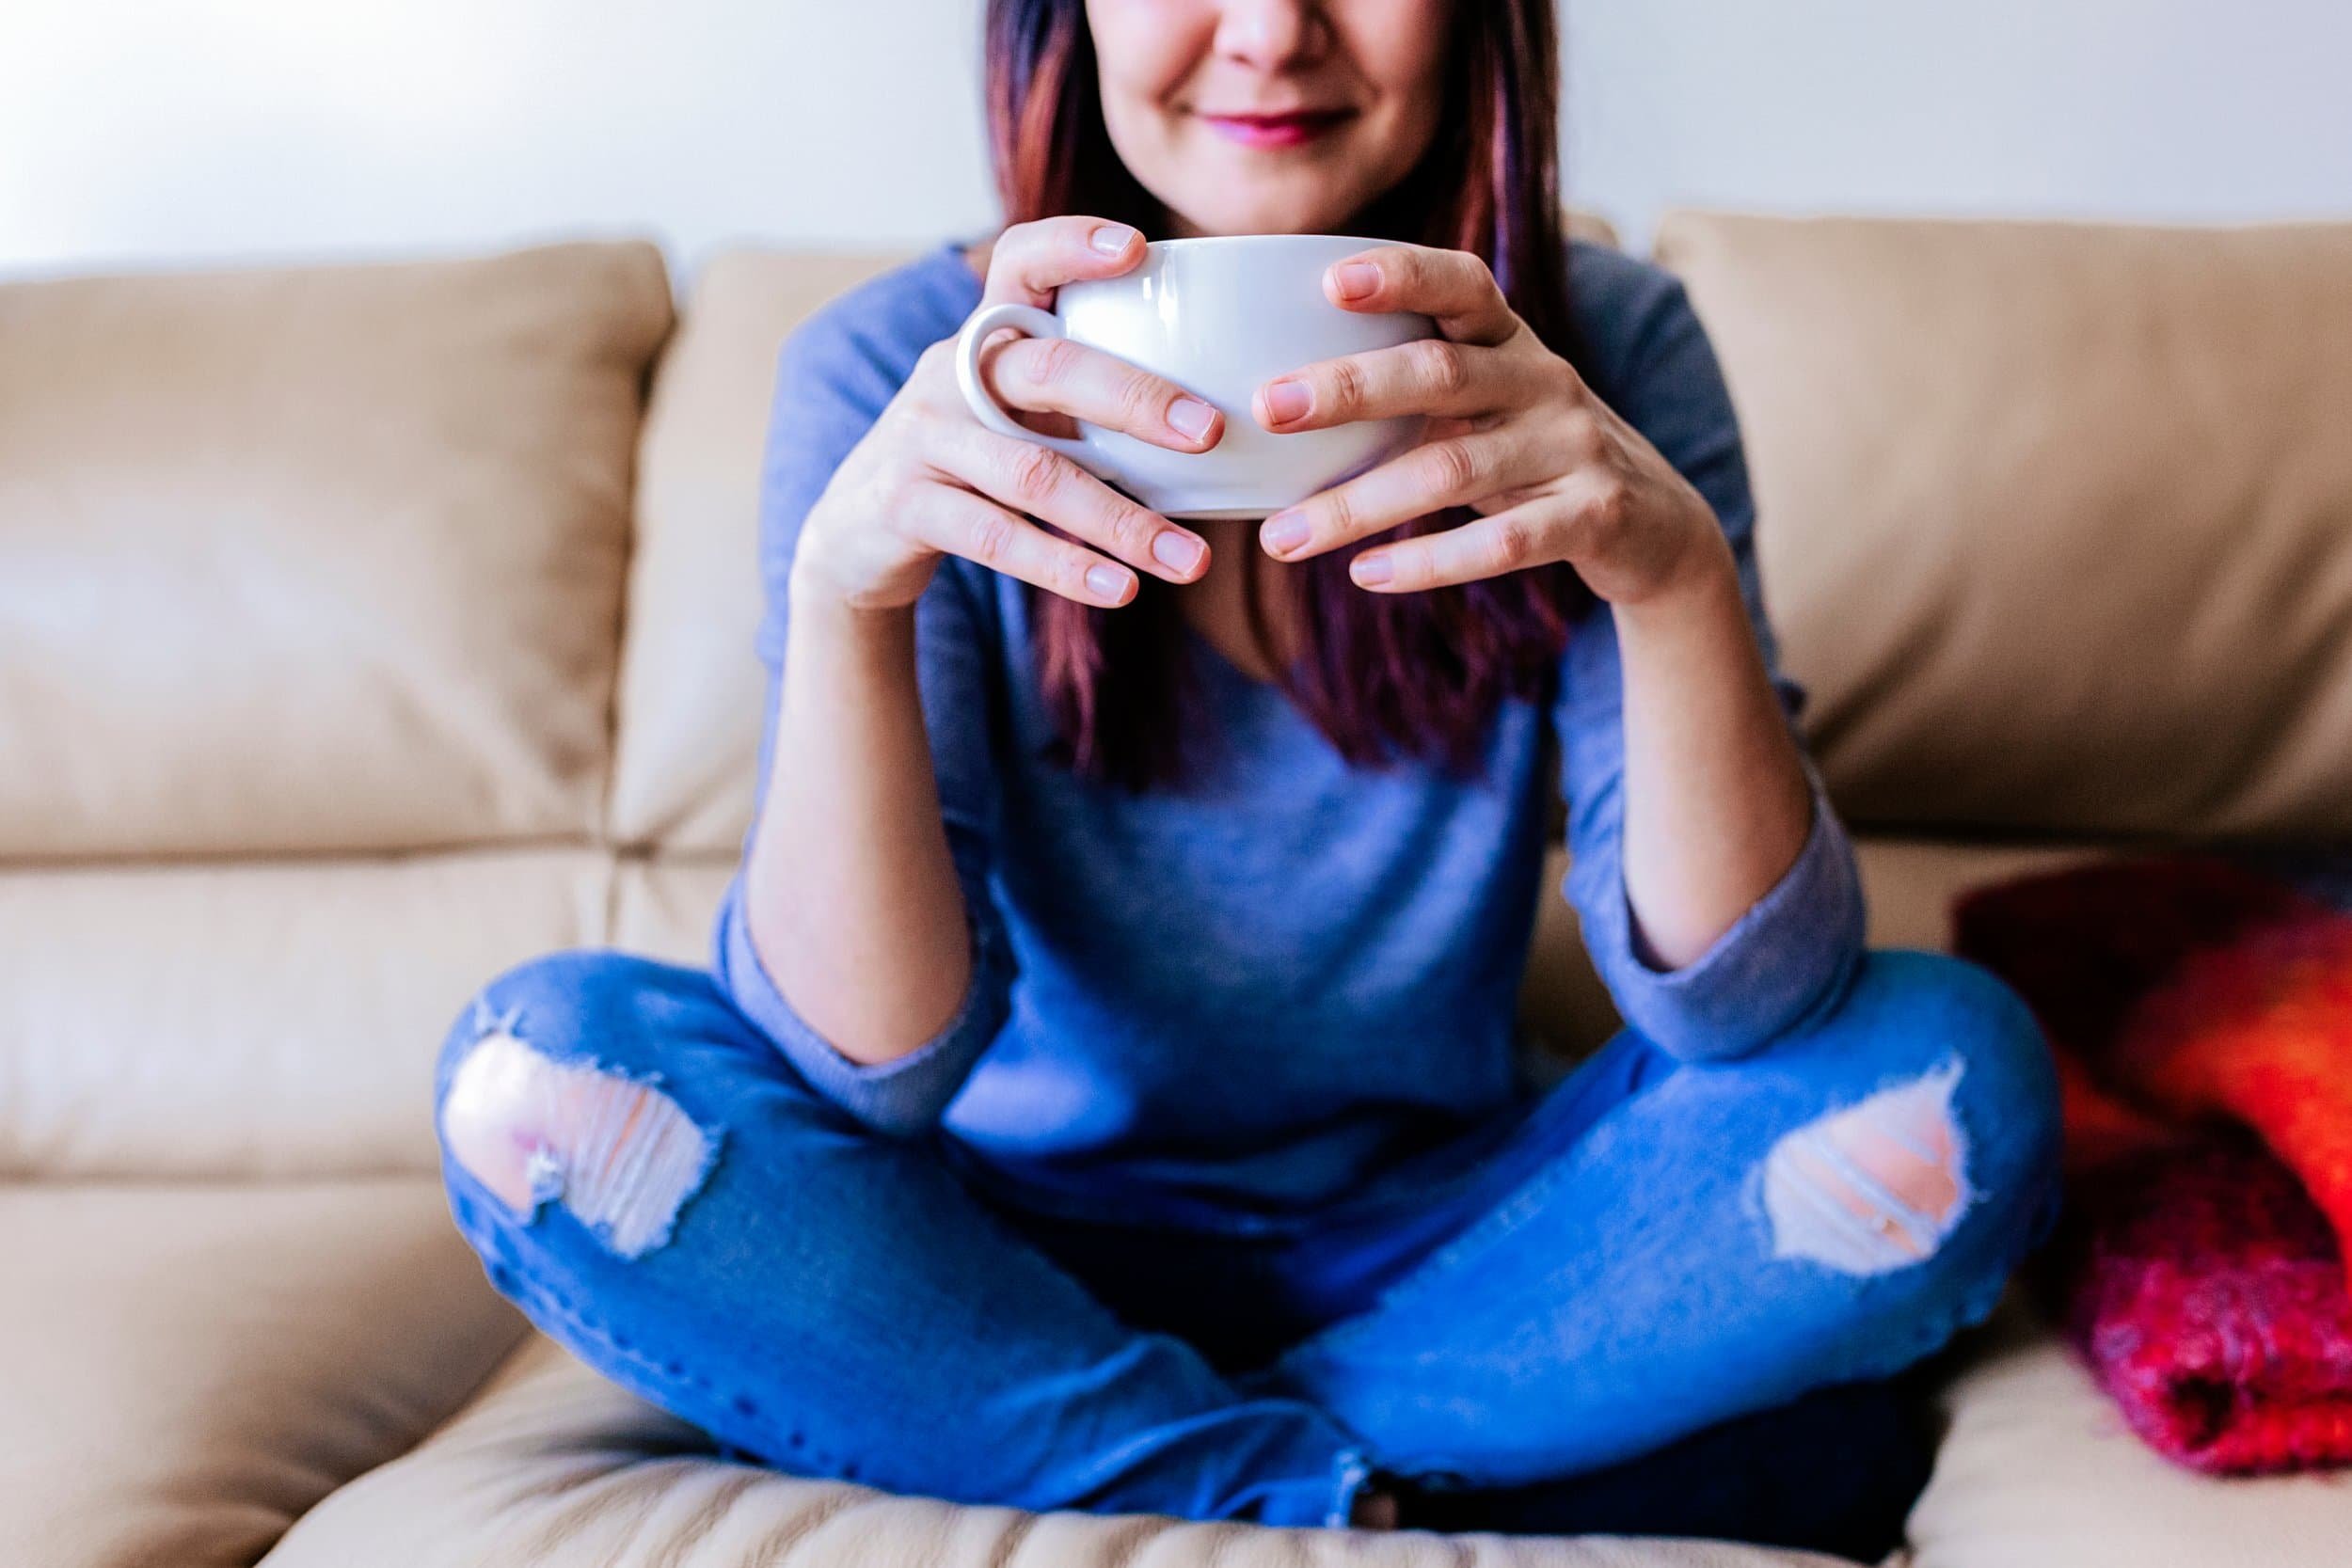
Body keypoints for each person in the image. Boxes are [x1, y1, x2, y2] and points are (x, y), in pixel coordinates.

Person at [434, 0, 2061, 1545]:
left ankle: (1078, 1447)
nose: (1274, 33)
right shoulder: (897, 375)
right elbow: (866, 1070)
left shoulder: (1604, 350)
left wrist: (1673, 577)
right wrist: (847, 600)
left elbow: (1747, 1006)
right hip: (983, 1251)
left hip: (1460, 1245)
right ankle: (1360, 1489)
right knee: (537, 1081)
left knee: (1956, 1069)